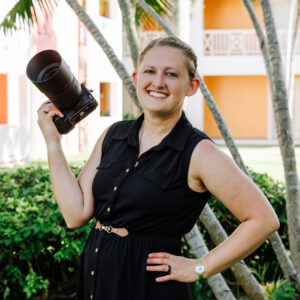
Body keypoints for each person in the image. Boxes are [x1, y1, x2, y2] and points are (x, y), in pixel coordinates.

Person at [37, 36, 280, 300]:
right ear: (136, 77)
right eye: (149, 71)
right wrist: (53, 143)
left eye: (172, 74)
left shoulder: (199, 153)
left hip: (150, 288)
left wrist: (200, 267)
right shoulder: (113, 135)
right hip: (98, 279)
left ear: (192, 86)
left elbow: (263, 219)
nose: (158, 82)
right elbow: (75, 214)